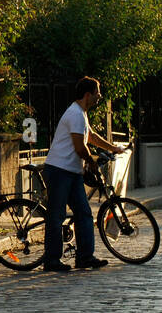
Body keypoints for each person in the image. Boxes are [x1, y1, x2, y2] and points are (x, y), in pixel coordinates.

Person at [41, 76, 126, 271]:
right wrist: (91, 161)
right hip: (59, 171)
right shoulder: (75, 114)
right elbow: (80, 147)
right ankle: (51, 260)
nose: (99, 97)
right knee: (57, 215)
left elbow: (91, 136)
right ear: (88, 95)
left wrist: (112, 148)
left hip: (71, 172)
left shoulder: (81, 114)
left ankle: (85, 257)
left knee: (84, 214)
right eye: (97, 93)